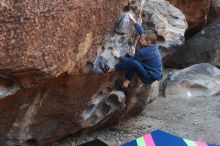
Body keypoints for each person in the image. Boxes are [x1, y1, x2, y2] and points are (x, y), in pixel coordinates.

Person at [99, 14, 163, 89]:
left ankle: (109, 69)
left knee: (133, 62)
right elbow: (142, 33)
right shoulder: (153, 43)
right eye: (141, 38)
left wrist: (118, 55)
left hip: (148, 77)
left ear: (148, 42)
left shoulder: (145, 52)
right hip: (150, 70)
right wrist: (134, 21)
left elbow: (129, 61)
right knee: (135, 61)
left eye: (142, 40)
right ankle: (125, 85)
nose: (140, 40)